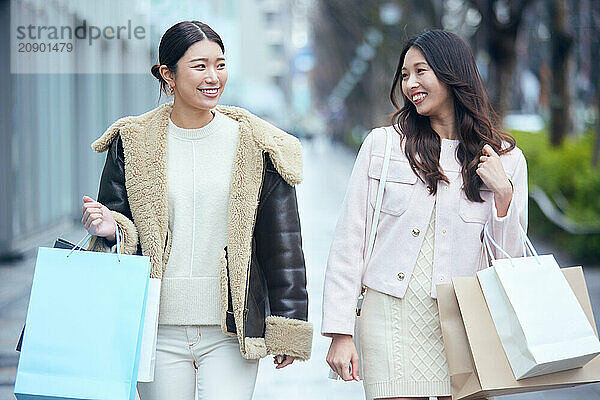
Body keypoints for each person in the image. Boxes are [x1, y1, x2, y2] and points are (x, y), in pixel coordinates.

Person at [80, 21, 312, 400]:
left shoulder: (256, 142)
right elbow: (118, 231)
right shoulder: (131, 141)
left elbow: (283, 242)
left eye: (220, 64)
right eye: (199, 65)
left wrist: (288, 321)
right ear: (167, 74)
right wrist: (112, 228)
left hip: (230, 330)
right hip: (155, 330)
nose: (213, 77)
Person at [321, 29, 528, 400]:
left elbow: (508, 261)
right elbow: (349, 241)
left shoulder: (506, 158)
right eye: (404, 75)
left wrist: (503, 194)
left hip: (469, 322)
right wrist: (340, 331)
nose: (410, 84)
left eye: (420, 71)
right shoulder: (383, 146)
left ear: (452, 74)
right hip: (391, 321)